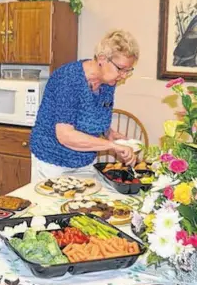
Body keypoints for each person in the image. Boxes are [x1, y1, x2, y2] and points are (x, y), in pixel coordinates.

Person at [29, 29, 140, 182]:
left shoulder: (108, 81)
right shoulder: (68, 79)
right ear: (102, 59)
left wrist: (108, 133)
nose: (124, 76)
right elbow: (65, 135)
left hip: (85, 160)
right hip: (53, 161)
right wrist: (111, 146)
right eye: (121, 69)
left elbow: (95, 113)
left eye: (129, 70)